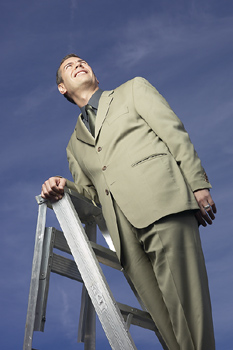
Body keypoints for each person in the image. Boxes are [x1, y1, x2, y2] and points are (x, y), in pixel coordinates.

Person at [41, 54, 216, 350]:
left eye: (82, 61)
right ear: (62, 88)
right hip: (125, 239)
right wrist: (63, 186)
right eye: (70, 67)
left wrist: (197, 185)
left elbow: (174, 134)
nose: (79, 65)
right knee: (166, 324)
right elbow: (91, 196)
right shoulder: (74, 145)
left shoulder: (133, 90)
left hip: (164, 206)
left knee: (189, 310)